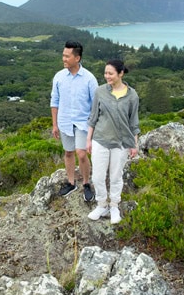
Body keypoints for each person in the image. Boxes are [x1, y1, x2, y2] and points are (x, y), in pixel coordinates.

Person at [86, 59, 140, 224]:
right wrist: (88, 140)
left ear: (120, 74)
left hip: (122, 142)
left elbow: (133, 122)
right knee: (97, 176)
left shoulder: (132, 95)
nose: (106, 76)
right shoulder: (100, 92)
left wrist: (134, 144)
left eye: (110, 73)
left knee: (116, 176)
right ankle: (102, 205)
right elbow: (93, 117)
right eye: (105, 73)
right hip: (100, 139)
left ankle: (114, 205)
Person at [51, 41, 98, 201]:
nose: (63, 58)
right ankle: (71, 183)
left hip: (83, 123)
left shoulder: (89, 79)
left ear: (77, 58)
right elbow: (54, 101)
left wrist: (94, 127)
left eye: (67, 56)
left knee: (81, 154)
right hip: (65, 122)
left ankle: (86, 183)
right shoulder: (58, 77)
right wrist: (55, 124)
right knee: (68, 152)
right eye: (63, 55)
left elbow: (95, 104)